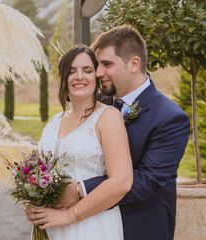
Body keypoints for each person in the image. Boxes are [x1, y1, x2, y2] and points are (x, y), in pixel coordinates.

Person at [28, 25, 190, 240]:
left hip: (139, 227)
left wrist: (80, 189)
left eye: (106, 64)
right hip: (82, 223)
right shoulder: (97, 104)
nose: (98, 72)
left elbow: (145, 181)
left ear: (134, 64)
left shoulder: (169, 117)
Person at [28, 44, 133, 239]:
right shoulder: (53, 122)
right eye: (72, 71)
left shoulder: (108, 117)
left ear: (96, 77)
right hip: (52, 227)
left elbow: (122, 182)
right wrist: (31, 203)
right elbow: (38, 173)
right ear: (63, 77)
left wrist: (69, 215)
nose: (79, 77)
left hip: (92, 226)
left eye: (87, 70)